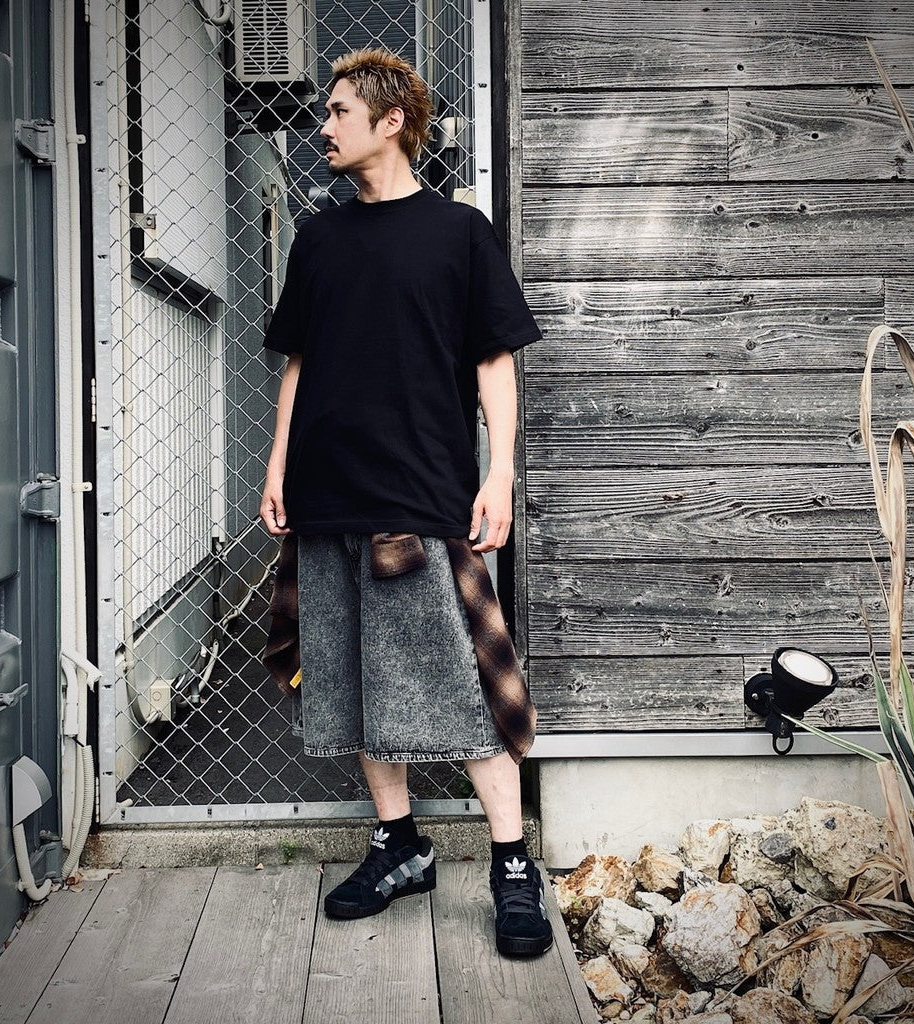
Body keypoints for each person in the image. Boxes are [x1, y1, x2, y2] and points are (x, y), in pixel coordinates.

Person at [258, 47, 551, 959]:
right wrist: (277, 466)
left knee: (459, 687)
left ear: (390, 122)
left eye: (339, 111)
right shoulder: (319, 239)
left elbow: (494, 361)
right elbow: (299, 363)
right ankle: (398, 845)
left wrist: (499, 473)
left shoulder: (459, 233)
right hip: (327, 495)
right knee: (350, 682)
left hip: (420, 495)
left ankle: (511, 863)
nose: (323, 127)